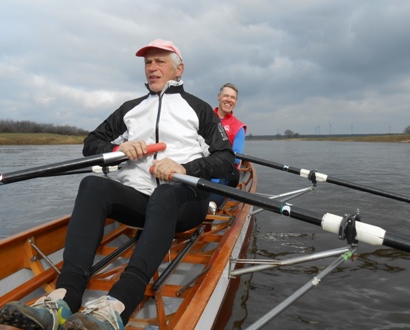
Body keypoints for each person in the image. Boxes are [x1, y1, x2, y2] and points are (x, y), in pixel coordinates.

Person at [0, 39, 237, 330]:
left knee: (166, 193)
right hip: (140, 201)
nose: (152, 68)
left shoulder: (198, 109)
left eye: (160, 61)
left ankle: (118, 305)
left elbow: (226, 159)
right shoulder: (130, 109)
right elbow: (91, 144)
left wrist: (184, 166)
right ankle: (64, 297)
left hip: (183, 202)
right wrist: (117, 151)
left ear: (179, 69)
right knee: (92, 185)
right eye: (148, 62)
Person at [208, 83, 247, 213]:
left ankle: (211, 205)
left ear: (236, 101)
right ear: (219, 97)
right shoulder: (205, 118)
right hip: (204, 166)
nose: (229, 100)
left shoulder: (238, 127)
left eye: (232, 97)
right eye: (226, 96)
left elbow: (236, 160)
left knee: (227, 174)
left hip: (225, 170)